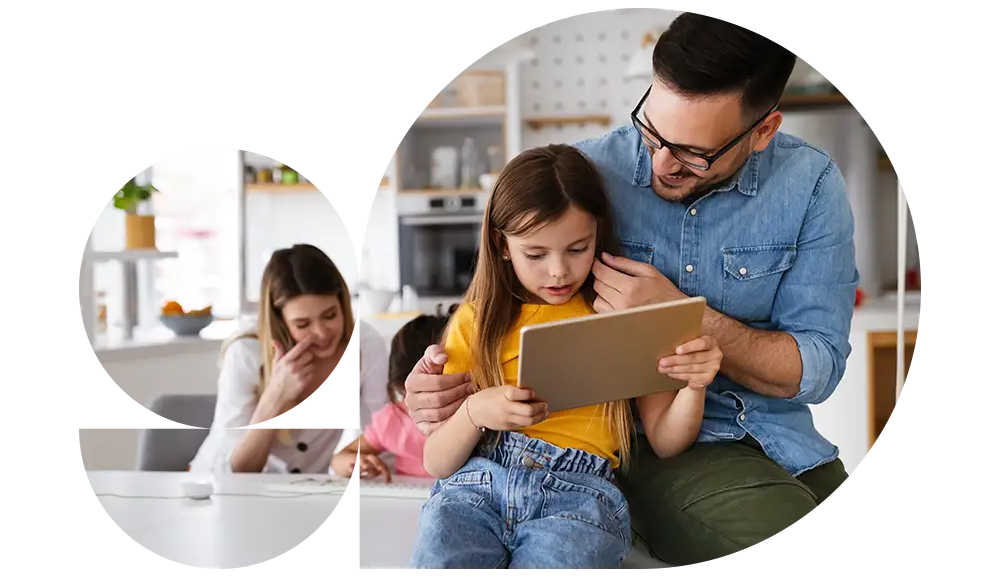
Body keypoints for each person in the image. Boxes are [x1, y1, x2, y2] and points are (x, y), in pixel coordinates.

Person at [403, 9, 858, 568]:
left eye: (695, 153)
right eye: (653, 129)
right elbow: (485, 332)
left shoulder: (811, 184)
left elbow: (817, 368)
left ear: (763, 130)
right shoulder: (584, 179)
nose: (661, 162)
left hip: (784, 441)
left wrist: (681, 319)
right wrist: (436, 396)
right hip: (647, 451)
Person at [408, 145, 723, 569]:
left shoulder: (621, 311)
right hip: (476, 485)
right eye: (535, 255)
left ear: (599, 232)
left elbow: (666, 441)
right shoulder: (477, 320)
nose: (558, 271)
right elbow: (436, 461)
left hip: (579, 495)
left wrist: (695, 384)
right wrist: (473, 412)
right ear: (502, 246)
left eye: (577, 248)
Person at [189, 244, 389, 474]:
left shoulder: (365, 345)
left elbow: (379, 435)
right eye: (303, 324)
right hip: (221, 485)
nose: (322, 333)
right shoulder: (246, 352)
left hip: (305, 492)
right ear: (280, 321)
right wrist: (275, 396)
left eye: (330, 315)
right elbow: (239, 469)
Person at [330, 312, 454, 481]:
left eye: (440, 392)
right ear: (400, 388)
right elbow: (339, 460)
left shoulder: (476, 416)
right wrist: (358, 462)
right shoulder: (395, 418)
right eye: (415, 393)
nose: (430, 404)